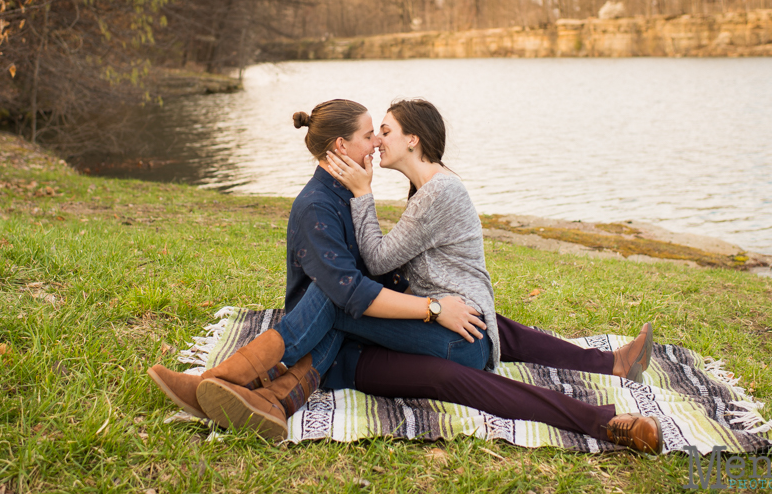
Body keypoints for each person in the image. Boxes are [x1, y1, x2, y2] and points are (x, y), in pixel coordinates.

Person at [148, 99, 662, 453]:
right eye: (369, 134)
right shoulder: (325, 205)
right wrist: (433, 306)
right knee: (348, 304)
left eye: (383, 131)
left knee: (342, 301)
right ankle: (264, 397)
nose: (375, 142)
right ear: (340, 149)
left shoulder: (423, 192)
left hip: (424, 334)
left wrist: (430, 302)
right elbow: (374, 272)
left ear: (411, 139)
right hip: (369, 347)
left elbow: (375, 268)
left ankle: (228, 384)